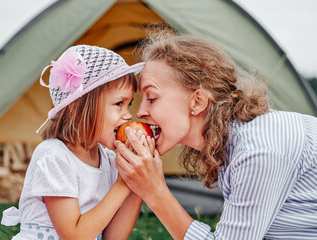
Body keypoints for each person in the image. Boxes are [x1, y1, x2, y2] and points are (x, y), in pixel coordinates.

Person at [114, 33, 317, 240]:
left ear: (198, 101)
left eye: (151, 98)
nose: (140, 113)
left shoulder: (258, 151)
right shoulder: (231, 141)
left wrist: (154, 191)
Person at [1, 45, 153, 240]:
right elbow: (74, 235)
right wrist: (122, 185)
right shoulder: (55, 157)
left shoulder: (107, 160)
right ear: (78, 107)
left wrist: (136, 183)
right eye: (118, 104)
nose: (128, 115)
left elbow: (113, 237)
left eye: (129, 104)